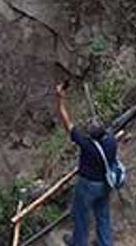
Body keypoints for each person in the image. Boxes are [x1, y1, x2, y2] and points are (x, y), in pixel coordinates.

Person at [55, 83, 120, 246]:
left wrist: (61, 100)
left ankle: (78, 243)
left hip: (88, 185)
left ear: (90, 135)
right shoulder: (111, 140)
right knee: (103, 215)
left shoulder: (86, 145)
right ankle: (106, 243)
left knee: (81, 215)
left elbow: (67, 122)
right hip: (105, 183)